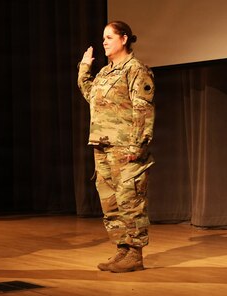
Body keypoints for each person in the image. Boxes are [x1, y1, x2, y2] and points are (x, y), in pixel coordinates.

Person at [77, 21, 155, 273]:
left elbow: (143, 110)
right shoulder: (105, 72)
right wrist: (84, 69)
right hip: (102, 146)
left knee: (130, 201)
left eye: (109, 37)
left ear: (124, 39)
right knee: (110, 203)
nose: (104, 42)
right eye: (103, 38)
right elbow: (92, 96)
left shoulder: (135, 69)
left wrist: (137, 146)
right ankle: (122, 249)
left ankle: (135, 254)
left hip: (125, 147)